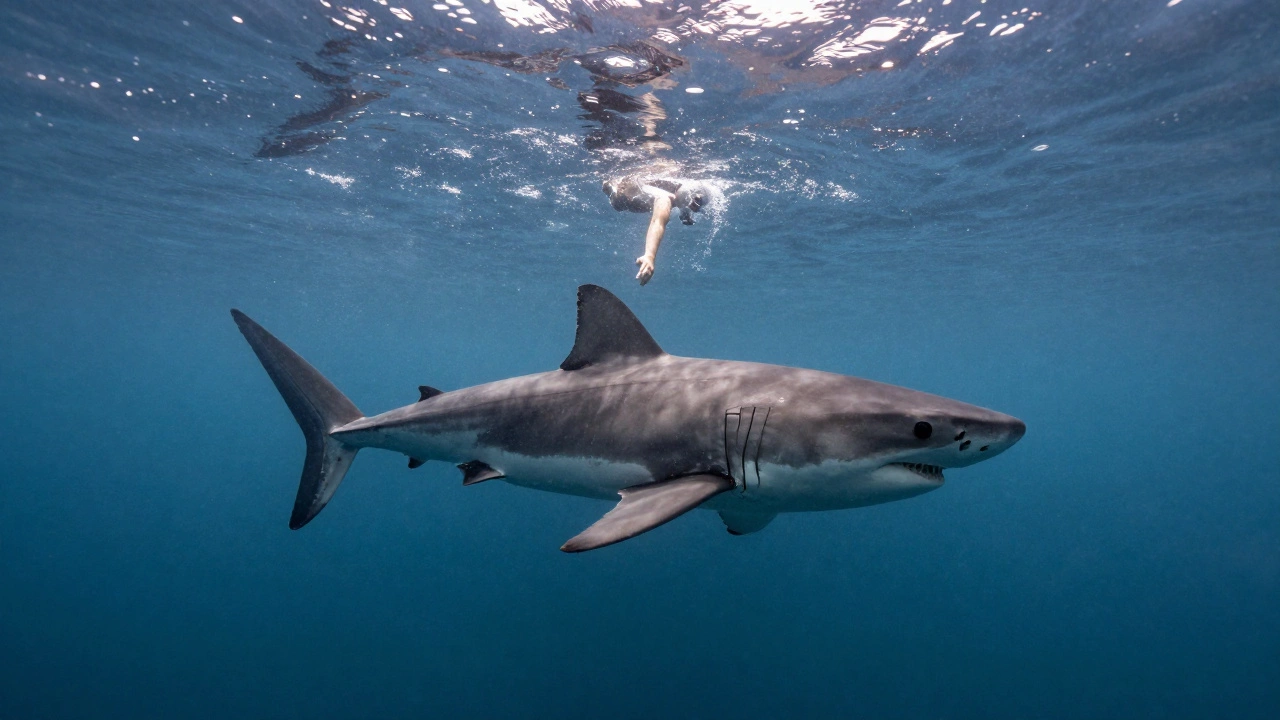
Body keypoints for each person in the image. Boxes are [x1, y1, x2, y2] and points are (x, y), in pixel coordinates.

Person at [602, 175, 705, 285]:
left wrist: (685, 213)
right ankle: (609, 188)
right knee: (618, 204)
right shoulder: (665, 198)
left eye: (697, 203)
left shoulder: (683, 194)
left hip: (652, 184)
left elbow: (684, 201)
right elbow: (658, 222)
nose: (695, 206)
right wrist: (649, 256)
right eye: (695, 202)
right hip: (630, 193)